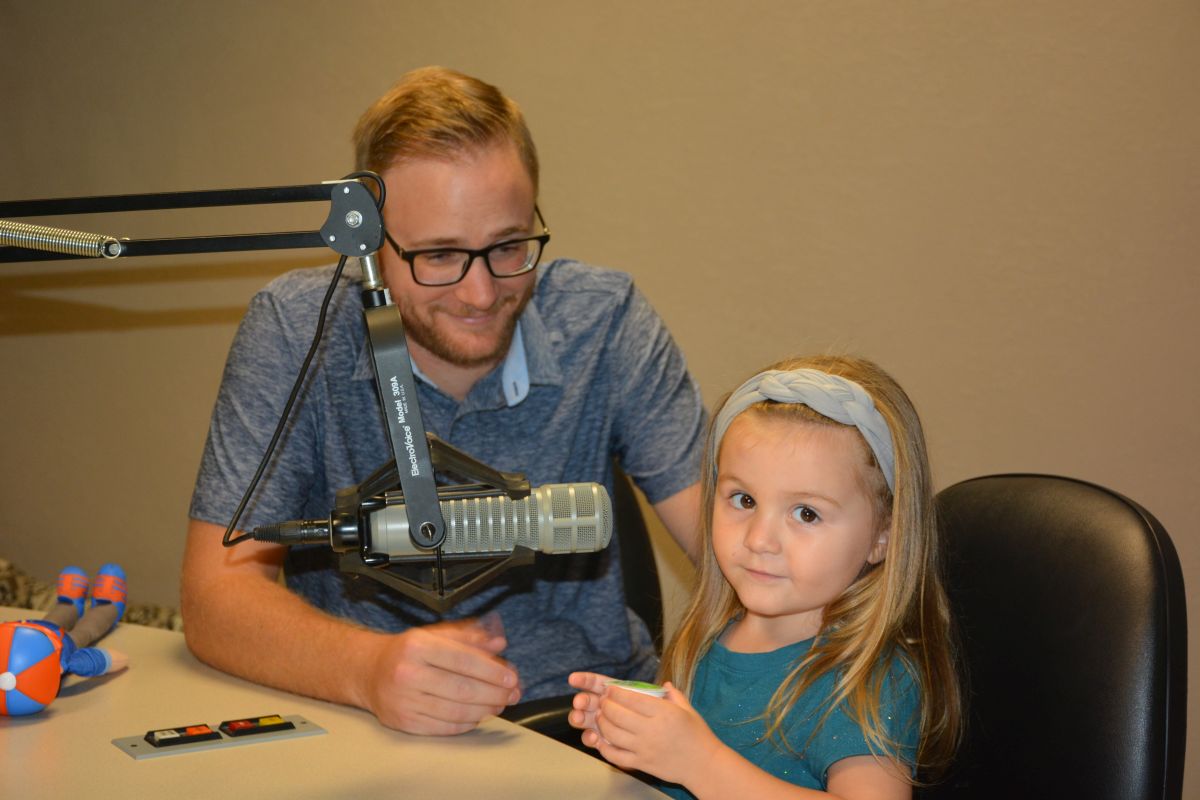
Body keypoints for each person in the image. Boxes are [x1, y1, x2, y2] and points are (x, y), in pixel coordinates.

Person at [181, 66, 705, 736]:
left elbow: (736, 555)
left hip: (585, 728)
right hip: (366, 725)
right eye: (438, 256)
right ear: (370, 245)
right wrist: (368, 669)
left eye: (508, 246)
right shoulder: (295, 330)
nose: (481, 295)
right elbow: (216, 596)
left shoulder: (605, 321)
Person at [568, 355, 961, 798]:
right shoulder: (709, 635)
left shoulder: (869, 680)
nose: (759, 539)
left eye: (806, 513)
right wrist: (638, 734)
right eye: (744, 500)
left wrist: (699, 762)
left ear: (883, 536)